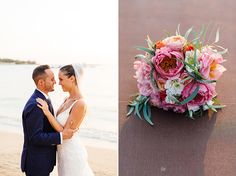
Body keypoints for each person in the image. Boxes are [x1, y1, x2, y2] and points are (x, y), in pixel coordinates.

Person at [36, 64, 94, 176]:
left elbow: (65, 133)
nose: (58, 83)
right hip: (63, 154)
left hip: (72, 154)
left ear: (72, 78)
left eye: (61, 79)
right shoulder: (66, 99)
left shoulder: (80, 104)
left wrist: (47, 113)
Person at [21, 65, 76, 176]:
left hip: (43, 161)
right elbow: (35, 137)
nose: (55, 82)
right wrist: (61, 136)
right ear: (41, 82)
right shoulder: (35, 105)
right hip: (36, 164)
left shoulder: (43, 99)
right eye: (52, 79)